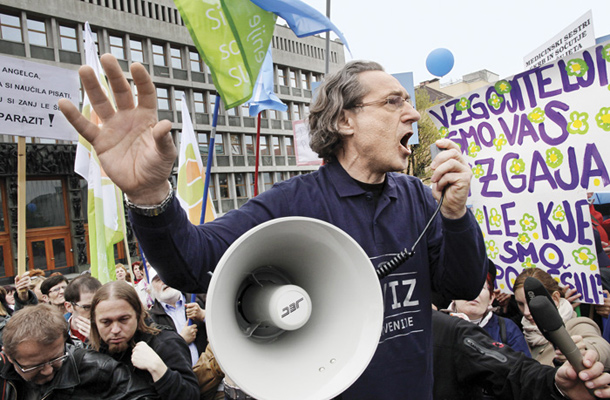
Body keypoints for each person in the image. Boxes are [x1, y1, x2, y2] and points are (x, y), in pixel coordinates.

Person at [59, 54, 488, 399]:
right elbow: (193, 264)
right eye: (393, 102)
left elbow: (463, 285)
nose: (412, 113)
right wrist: (150, 195)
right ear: (344, 121)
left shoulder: (417, 197)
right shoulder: (291, 204)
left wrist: (454, 214)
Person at [432, 310, 610, 400]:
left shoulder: (447, 330)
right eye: (521, 304)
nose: (526, 312)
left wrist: (556, 385)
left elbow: (513, 371)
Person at [0, 303, 157, 399]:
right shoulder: (4, 376)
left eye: (55, 358)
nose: (47, 371)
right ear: (9, 356)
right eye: (36, 366)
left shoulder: (98, 368)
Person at [89, 281, 199, 399]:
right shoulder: (92, 352)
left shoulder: (165, 343)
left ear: (137, 314)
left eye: (123, 319)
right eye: (106, 322)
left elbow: (191, 395)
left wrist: (159, 370)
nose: (115, 330)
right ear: (95, 321)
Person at [513, 267, 610, 369]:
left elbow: (602, 348)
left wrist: (584, 349)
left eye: (532, 304)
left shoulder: (576, 325)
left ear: (555, 298)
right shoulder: (521, 334)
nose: (526, 312)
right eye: (520, 304)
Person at [443, 260, 531, 356]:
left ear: (491, 298)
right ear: (452, 294)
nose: (473, 293)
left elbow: (524, 368)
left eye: (481, 287)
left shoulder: (508, 329)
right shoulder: (437, 326)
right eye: (466, 285)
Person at [148, 271, 207, 366]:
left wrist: (204, 315)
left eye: (166, 275)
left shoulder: (200, 298)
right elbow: (155, 356)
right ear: (150, 290)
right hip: (182, 379)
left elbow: (224, 323)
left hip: (214, 374)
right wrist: (181, 340)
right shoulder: (151, 319)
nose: (164, 281)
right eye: (158, 280)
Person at [64, 275, 102, 346]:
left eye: (99, 306)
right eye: (87, 307)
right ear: (69, 307)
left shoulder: (110, 330)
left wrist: (99, 341)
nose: (94, 312)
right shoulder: (57, 333)